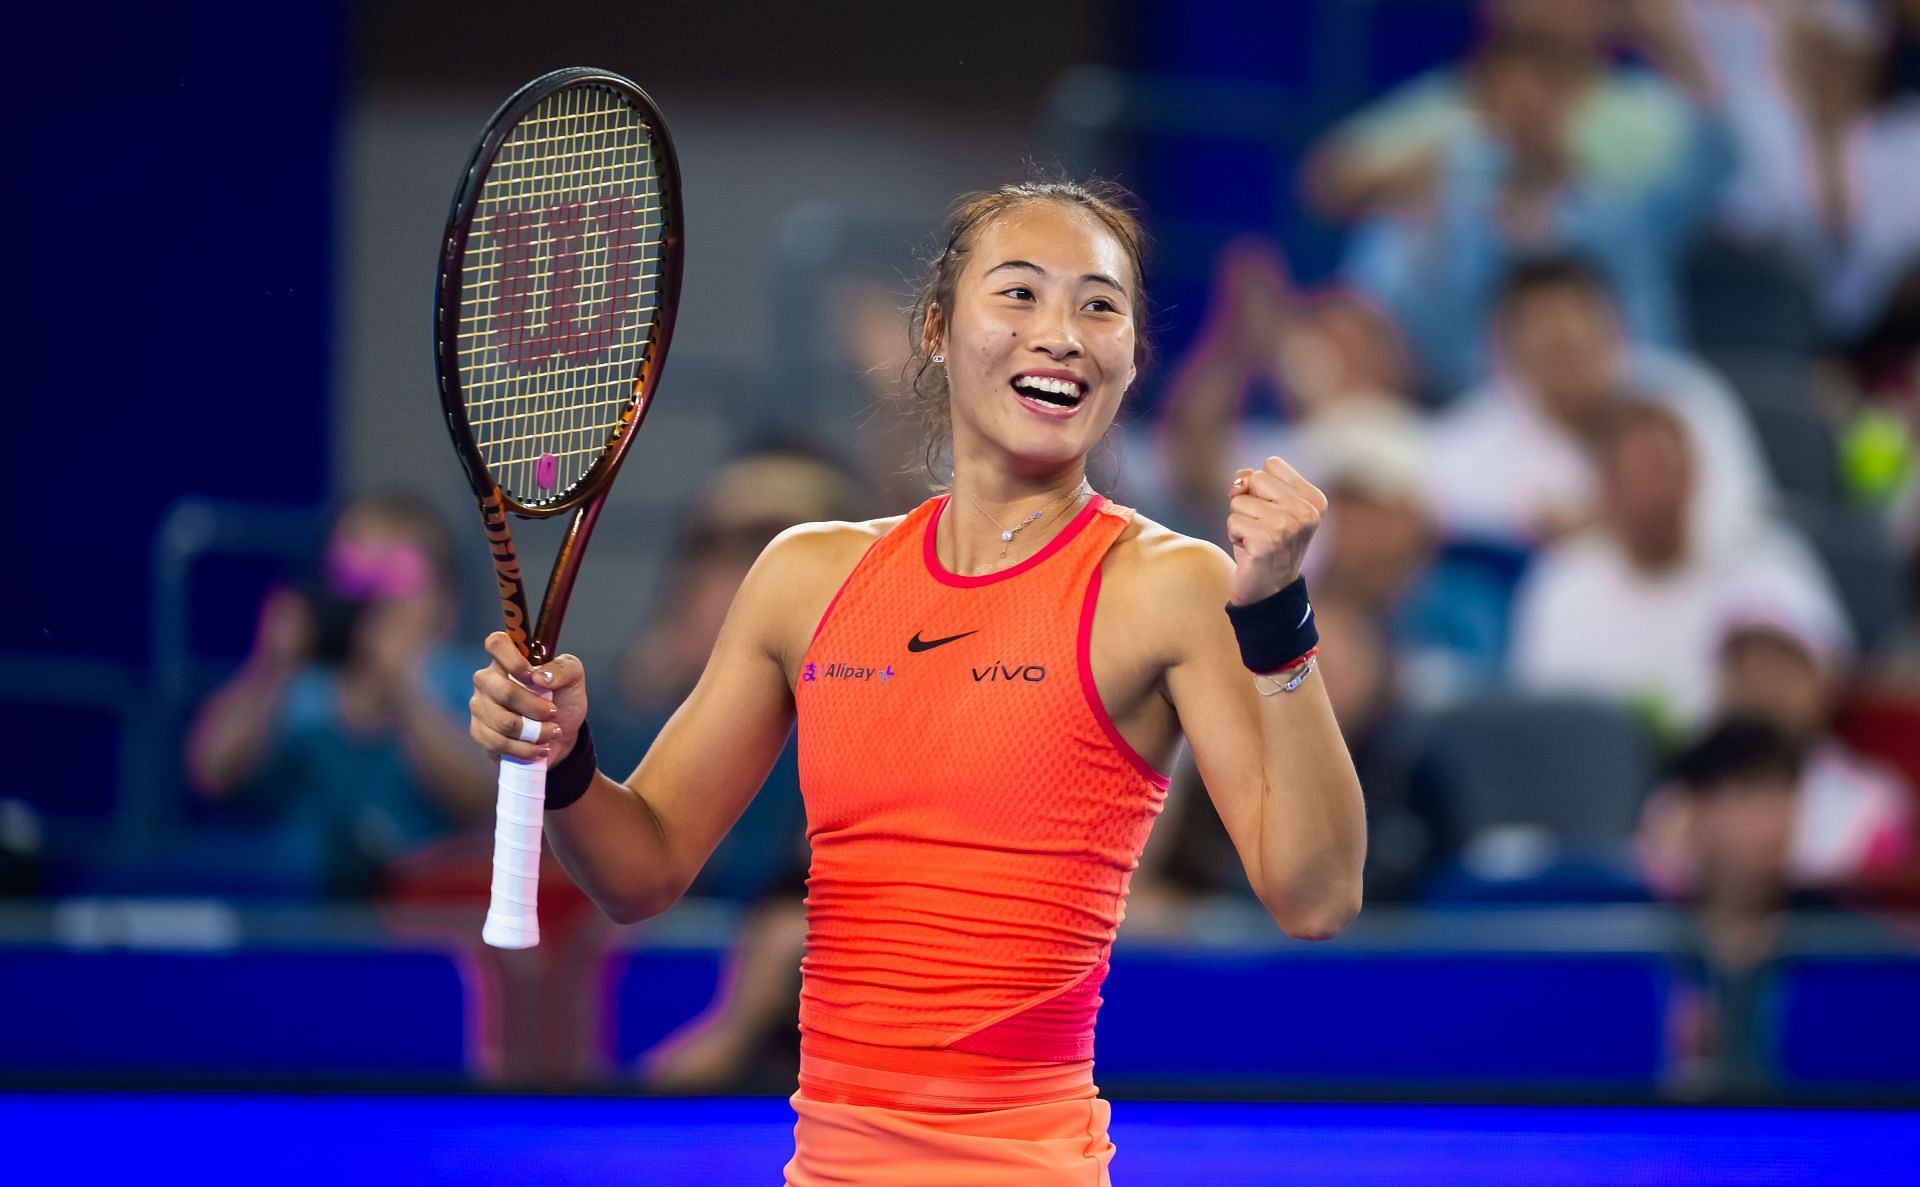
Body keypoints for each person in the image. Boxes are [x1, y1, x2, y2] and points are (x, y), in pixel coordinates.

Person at [466, 179, 1367, 1184]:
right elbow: (641, 869)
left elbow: (1317, 895)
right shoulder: (806, 577)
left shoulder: (1169, 585)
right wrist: (566, 754)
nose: (1060, 332)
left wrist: (1280, 617)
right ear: (936, 328)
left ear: (1131, 359)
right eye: (1019, 294)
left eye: (1099, 304)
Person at [184, 490, 494, 896]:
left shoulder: (474, 683)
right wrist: (267, 665)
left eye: (399, 575)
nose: (375, 598)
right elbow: (211, 773)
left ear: (446, 602)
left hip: (440, 923)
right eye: (356, 573)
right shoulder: (299, 692)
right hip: (319, 925)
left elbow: (484, 799)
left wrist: (400, 688)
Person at [1510, 399, 1840, 739]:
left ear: (1692, 475)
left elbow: (1811, 692)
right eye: (1631, 476)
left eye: (1662, 470)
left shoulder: (1764, 564)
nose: (1650, 494)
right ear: (1603, 488)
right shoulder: (1560, 588)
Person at [1429, 255, 1773, 555]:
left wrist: (1624, 525)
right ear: (1509, 350)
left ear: (1613, 327)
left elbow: (1743, 515)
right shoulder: (1469, 436)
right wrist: (1532, 527)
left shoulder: (1688, 396)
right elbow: (1441, 518)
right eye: (1545, 340)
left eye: (1575, 328)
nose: (1562, 344)